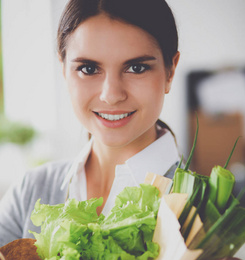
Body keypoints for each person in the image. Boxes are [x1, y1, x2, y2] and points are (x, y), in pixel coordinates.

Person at [0, 0, 180, 247]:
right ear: (63, 70)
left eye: (136, 68)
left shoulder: (205, 211)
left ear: (170, 72)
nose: (111, 95)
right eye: (88, 68)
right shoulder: (30, 191)